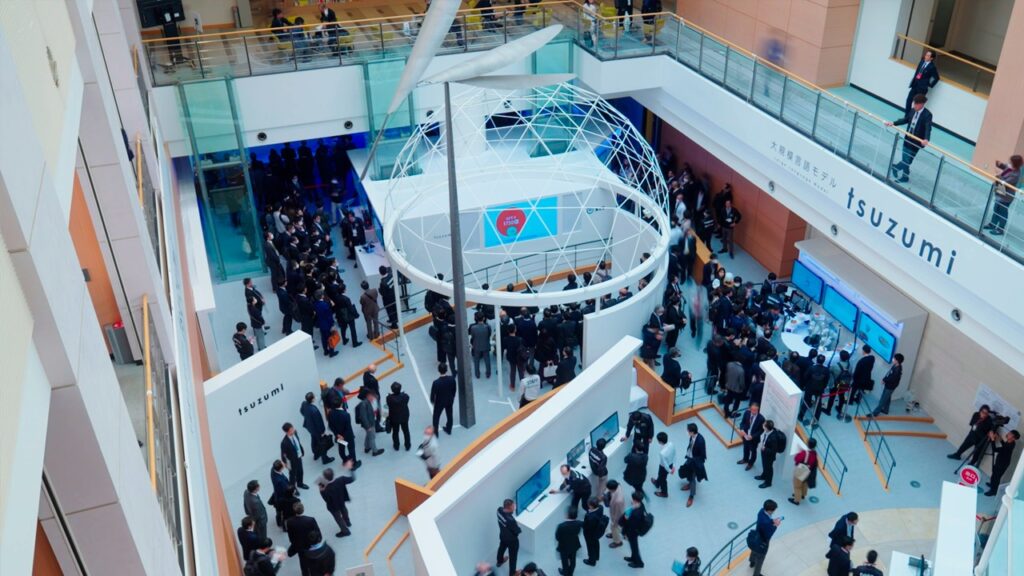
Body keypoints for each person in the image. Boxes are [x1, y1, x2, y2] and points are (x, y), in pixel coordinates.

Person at [886, 95, 932, 184]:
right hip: (908, 138)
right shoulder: (912, 110)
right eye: (914, 104)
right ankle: (904, 177)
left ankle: (896, 167)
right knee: (906, 160)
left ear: (922, 104)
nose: (914, 106)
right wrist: (893, 123)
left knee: (908, 161)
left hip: (917, 141)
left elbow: (928, 127)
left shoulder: (927, 115)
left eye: (916, 104)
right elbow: (905, 120)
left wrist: (926, 139)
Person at [985, 154, 1023, 236]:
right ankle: (992, 224)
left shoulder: (1015, 174)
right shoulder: (1011, 167)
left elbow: (1005, 183)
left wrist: (998, 174)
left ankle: (1000, 229)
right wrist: (1000, 164)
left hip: (1006, 196)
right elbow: (1006, 167)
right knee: (996, 209)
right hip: (1000, 191)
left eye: (1011, 162)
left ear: (1015, 165)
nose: (1009, 163)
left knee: (1002, 213)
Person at [285, 502, 321, 576]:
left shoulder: (290, 522)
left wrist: (294, 544)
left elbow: (291, 536)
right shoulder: (310, 520)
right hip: (311, 544)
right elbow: (317, 531)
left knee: (303, 562)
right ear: (303, 509)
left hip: (300, 546)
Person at [320, 462, 356, 537]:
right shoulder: (341, 479)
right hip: (342, 500)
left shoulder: (326, 488)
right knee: (344, 509)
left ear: (325, 478)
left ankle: (345, 531)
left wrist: (321, 490)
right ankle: (347, 522)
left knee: (338, 518)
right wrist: (350, 468)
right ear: (333, 474)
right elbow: (353, 478)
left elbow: (326, 499)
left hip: (333, 506)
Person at [748, 499, 781, 576]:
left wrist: (772, 521)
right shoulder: (766, 522)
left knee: (754, 549)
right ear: (769, 511)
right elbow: (768, 534)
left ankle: (752, 562)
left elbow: (766, 521)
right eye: (773, 511)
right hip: (763, 540)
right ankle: (756, 574)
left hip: (756, 536)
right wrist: (775, 526)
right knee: (760, 558)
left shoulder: (761, 511)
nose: (774, 512)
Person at [301, 392, 334, 465]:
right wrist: (322, 431)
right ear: (312, 399)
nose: (315, 397)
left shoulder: (304, 404)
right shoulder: (314, 410)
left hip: (309, 427)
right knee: (322, 443)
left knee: (313, 440)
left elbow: (302, 411)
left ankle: (316, 454)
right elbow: (319, 422)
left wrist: (308, 418)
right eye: (314, 396)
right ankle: (325, 458)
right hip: (317, 430)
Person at [678, 423, 707, 507]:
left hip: (695, 462)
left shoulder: (701, 441)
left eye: (688, 431)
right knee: (685, 471)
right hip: (689, 458)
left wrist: (696, 463)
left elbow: (703, 456)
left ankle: (691, 496)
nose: (687, 432)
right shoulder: (691, 437)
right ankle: (689, 483)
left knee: (692, 478)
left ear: (692, 432)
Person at [985, 430, 1020, 496]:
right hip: (1001, 461)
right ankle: (992, 484)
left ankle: (993, 491)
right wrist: (1000, 439)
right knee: (994, 474)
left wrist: (992, 439)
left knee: (996, 477)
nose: (1008, 434)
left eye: (1010, 434)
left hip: (1002, 464)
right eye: (1009, 432)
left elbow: (995, 449)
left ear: (1013, 438)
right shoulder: (1011, 442)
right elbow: (1004, 445)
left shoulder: (1009, 447)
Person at [327, 402, 359, 469]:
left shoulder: (330, 414)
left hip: (339, 436)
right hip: (348, 436)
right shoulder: (346, 415)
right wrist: (343, 435)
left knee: (341, 448)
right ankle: (354, 464)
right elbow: (348, 427)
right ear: (341, 404)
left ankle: (344, 460)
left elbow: (330, 426)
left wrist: (337, 434)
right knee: (351, 449)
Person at [755, 420, 786, 488]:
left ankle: (768, 483)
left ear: (766, 428)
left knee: (769, 468)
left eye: (764, 424)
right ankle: (763, 476)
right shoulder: (770, 431)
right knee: (764, 466)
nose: (763, 425)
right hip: (764, 453)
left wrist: (764, 449)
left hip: (769, 456)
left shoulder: (773, 438)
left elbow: (773, 451)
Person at [620, 491, 647, 568]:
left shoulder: (635, 514)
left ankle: (639, 563)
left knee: (634, 547)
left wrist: (626, 519)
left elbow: (631, 525)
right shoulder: (641, 505)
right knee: (633, 546)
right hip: (635, 530)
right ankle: (633, 558)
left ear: (635, 500)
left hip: (632, 532)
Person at [555, 508, 584, 576]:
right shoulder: (579, 523)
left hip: (564, 547)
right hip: (574, 545)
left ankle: (565, 573)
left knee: (565, 562)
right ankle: (570, 573)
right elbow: (578, 532)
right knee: (573, 560)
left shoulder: (561, 526)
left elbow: (557, 537)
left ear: (567, 515)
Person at [790, 437, 818, 505]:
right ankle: (803, 494)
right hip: (809, 469)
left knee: (797, 485)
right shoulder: (814, 453)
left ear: (808, 444)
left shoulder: (804, 453)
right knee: (804, 483)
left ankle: (796, 500)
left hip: (802, 469)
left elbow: (796, 459)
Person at [496, 499, 521, 574]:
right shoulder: (511, 521)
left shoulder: (499, 510)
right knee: (513, 557)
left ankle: (499, 561)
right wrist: (517, 525)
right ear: (508, 508)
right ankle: (512, 573)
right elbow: (517, 531)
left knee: (502, 547)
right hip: (512, 541)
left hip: (503, 535)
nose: (514, 507)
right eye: (513, 506)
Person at [430, 363, 456, 435]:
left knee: (436, 417)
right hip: (449, 400)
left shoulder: (436, 383)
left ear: (439, 370)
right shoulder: (452, 379)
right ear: (446, 370)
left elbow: (433, 395)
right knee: (449, 415)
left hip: (440, 402)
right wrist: (452, 397)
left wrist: (433, 401)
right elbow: (454, 390)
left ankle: (436, 432)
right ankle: (449, 429)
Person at [737, 403, 765, 470]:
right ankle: (745, 459)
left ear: (758, 409)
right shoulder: (747, 413)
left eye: (755, 410)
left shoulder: (761, 418)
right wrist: (742, 429)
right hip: (745, 435)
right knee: (745, 448)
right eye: (752, 409)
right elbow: (742, 423)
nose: (753, 411)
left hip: (753, 439)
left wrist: (753, 436)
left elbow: (761, 430)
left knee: (753, 451)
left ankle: (750, 463)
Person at [280, 422, 308, 490]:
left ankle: (300, 484)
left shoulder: (295, 433)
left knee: (300, 471)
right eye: (290, 430)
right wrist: (285, 463)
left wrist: (301, 451)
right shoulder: (284, 443)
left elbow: (298, 443)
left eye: (292, 428)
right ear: (286, 432)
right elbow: (283, 454)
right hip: (292, 461)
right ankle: (293, 489)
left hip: (299, 457)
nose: (292, 431)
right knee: (292, 476)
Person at [355, 391, 384, 457]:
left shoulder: (367, 402)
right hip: (369, 424)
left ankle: (367, 447)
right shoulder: (364, 404)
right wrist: (368, 427)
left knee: (368, 435)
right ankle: (375, 451)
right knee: (372, 437)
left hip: (370, 423)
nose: (373, 398)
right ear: (368, 396)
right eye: (372, 397)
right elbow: (363, 417)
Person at [386, 382, 412, 451]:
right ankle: (407, 445)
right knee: (406, 431)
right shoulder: (405, 396)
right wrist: (402, 393)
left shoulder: (389, 398)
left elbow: (388, 404)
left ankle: (396, 446)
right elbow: (407, 398)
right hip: (404, 417)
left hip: (394, 418)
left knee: (395, 432)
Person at [650, 431, 676, 498]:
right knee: (660, 476)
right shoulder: (671, 444)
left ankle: (664, 493)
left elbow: (665, 464)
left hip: (664, 467)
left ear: (660, 441)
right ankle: (657, 483)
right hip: (671, 464)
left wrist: (670, 471)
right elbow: (674, 455)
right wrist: (673, 467)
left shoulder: (662, 453)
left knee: (663, 479)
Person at [582, 497, 607, 566]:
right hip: (597, 531)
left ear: (591, 506)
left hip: (590, 534)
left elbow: (586, 526)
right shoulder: (601, 507)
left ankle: (591, 561)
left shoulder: (589, 516)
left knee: (590, 547)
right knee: (596, 543)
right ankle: (596, 557)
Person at [314, 291, 338, 358]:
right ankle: (331, 352)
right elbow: (329, 316)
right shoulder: (325, 305)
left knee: (324, 338)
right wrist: (332, 324)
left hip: (321, 324)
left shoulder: (315, 304)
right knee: (330, 338)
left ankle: (325, 351)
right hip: (327, 325)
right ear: (322, 296)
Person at [469, 312, 492, 379]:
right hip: (486, 345)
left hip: (476, 346)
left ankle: (477, 374)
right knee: (487, 360)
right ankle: (488, 373)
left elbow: (473, 336)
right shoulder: (487, 327)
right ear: (483, 318)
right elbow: (489, 335)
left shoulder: (473, 328)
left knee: (476, 360)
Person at [505, 324, 526, 391]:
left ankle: (512, 386)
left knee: (512, 371)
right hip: (519, 358)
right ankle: (523, 386)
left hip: (511, 357)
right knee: (521, 371)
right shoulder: (520, 339)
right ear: (515, 330)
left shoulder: (506, 339)